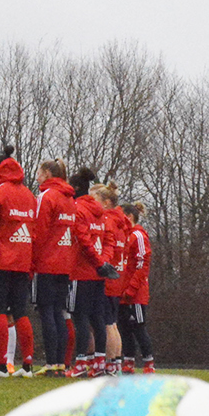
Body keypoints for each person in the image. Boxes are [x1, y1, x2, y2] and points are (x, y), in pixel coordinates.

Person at [0, 146, 37, 376]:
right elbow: (34, 232)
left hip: (0, 260)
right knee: (21, 312)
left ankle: (1, 365)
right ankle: (28, 365)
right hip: (23, 261)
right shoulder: (30, 196)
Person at [30, 159, 92, 377]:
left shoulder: (47, 197)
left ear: (47, 173)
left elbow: (39, 232)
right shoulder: (69, 199)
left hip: (47, 263)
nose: (37, 177)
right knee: (59, 313)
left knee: (46, 312)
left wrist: (32, 261)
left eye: (39, 172)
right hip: (65, 264)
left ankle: (50, 363)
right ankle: (60, 364)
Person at [65, 168, 121, 377]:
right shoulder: (102, 214)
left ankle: (80, 363)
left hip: (80, 272)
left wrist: (97, 262)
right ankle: (99, 363)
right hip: (99, 273)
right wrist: (104, 262)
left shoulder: (78, 209)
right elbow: (109, 241)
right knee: (98, 318)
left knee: (79, 317)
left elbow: (83, 240)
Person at [96, 182, 131, 375]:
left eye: (97, 200)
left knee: (107, 323)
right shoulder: (122, 223)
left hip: (108, 279)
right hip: (118, 277)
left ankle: (109, 363)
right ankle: (115, 363)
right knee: (113, 323)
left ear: (107, 202)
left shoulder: (108, 220)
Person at [120, 202, 155, 372]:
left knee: (138, 327)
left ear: (129, 217)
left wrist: (132, 289)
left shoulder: (138, 236)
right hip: (122, 292)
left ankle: (148, 362)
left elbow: (143, 264)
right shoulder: (125, 236)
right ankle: (128, 361)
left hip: (135, 293)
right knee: (124, 328)